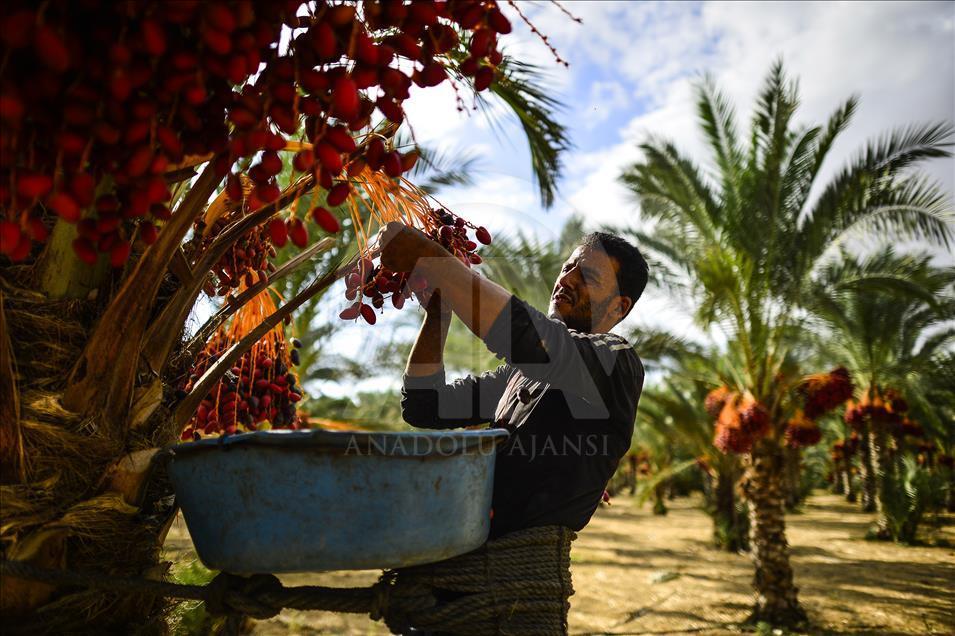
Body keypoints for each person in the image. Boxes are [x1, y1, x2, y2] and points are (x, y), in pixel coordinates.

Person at [379, 221, 648, 541]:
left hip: (519, 570)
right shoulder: (521, 377)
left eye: (588, 276)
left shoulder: (616, 360)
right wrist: (440, 314)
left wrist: (432, 260)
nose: (568, 278)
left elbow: (529, 339)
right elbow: (424, 406)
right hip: (459, 551)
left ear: (619, 307)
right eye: (568, 266)